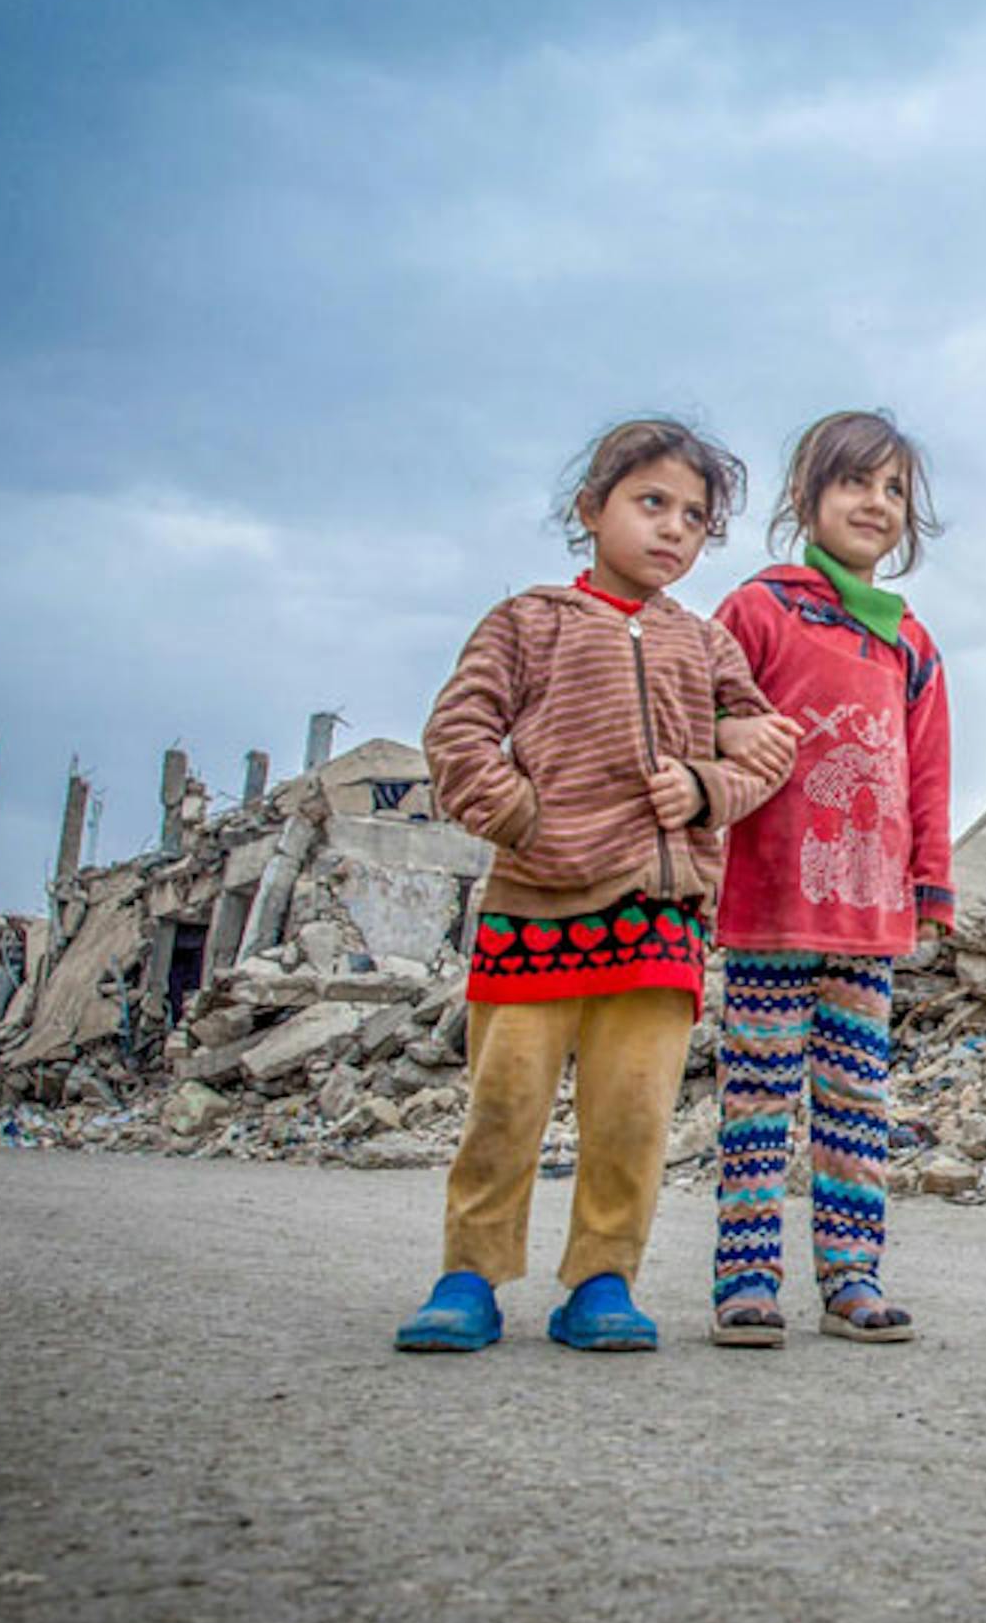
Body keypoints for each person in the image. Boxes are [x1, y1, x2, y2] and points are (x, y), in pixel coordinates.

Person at [394, 418, 796, 1354]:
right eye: (651, 503)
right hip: (535, 907)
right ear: (591, 509)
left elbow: (768, 746)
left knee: (633, 1112)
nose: (673, 530)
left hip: (659, 919)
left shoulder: (704, 645)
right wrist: (526, 818)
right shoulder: (527, 621)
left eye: (695, 517)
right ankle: (470, 1276)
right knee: (506, 1105)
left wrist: (706, 787)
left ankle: (603, 1281)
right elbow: (458, 734)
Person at [701, 409, 953, 1346]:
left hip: (870, 917)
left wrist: (931, 882)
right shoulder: (759, 610)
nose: (876, 504)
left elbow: (927, 768)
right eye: (856, 483)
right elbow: (703, 717)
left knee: (856, 1099)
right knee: (758, 1096)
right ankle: (747, 1280)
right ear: (808, 497)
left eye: (894, 492)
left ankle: (852, 1275)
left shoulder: (910, 641)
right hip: (771, 904)